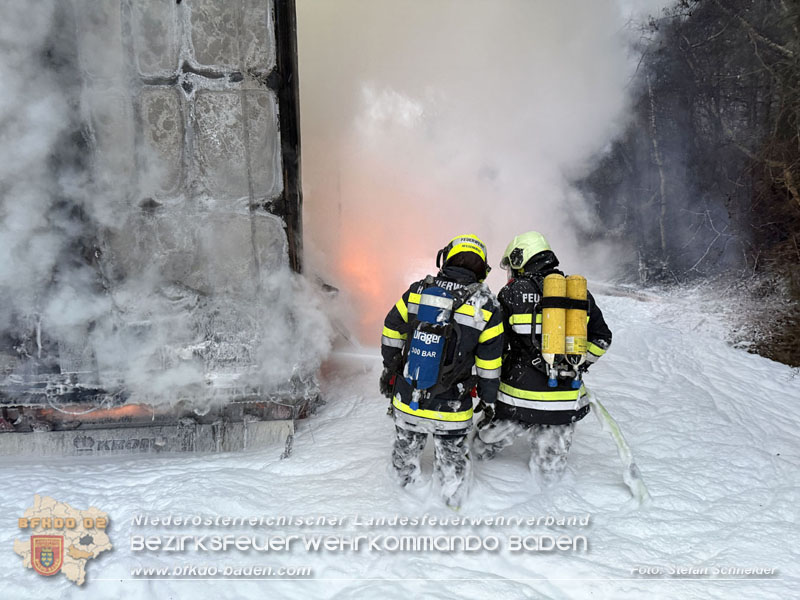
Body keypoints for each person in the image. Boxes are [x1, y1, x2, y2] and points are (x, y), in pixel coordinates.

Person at [473, 231, 612, 484]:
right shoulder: (578, 293)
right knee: (550, 476)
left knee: (480, 448)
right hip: (563, 403)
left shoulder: (512, 293)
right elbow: (602, 339)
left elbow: (494, 343)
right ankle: (550, 513)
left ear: (519, 258)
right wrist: (577, 364)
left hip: (516, 400)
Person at [379, 234, 504, 508]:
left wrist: (392, 369)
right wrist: (488, 397)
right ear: (482, 269)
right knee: (452, 462)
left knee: (405, 454)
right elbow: (490, 362)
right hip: (452, 406)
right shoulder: (487, 305)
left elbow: (391, 329)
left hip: (408, 396)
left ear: (445, 258)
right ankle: (451, 508)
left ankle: (398, 506)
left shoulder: (418, 290)